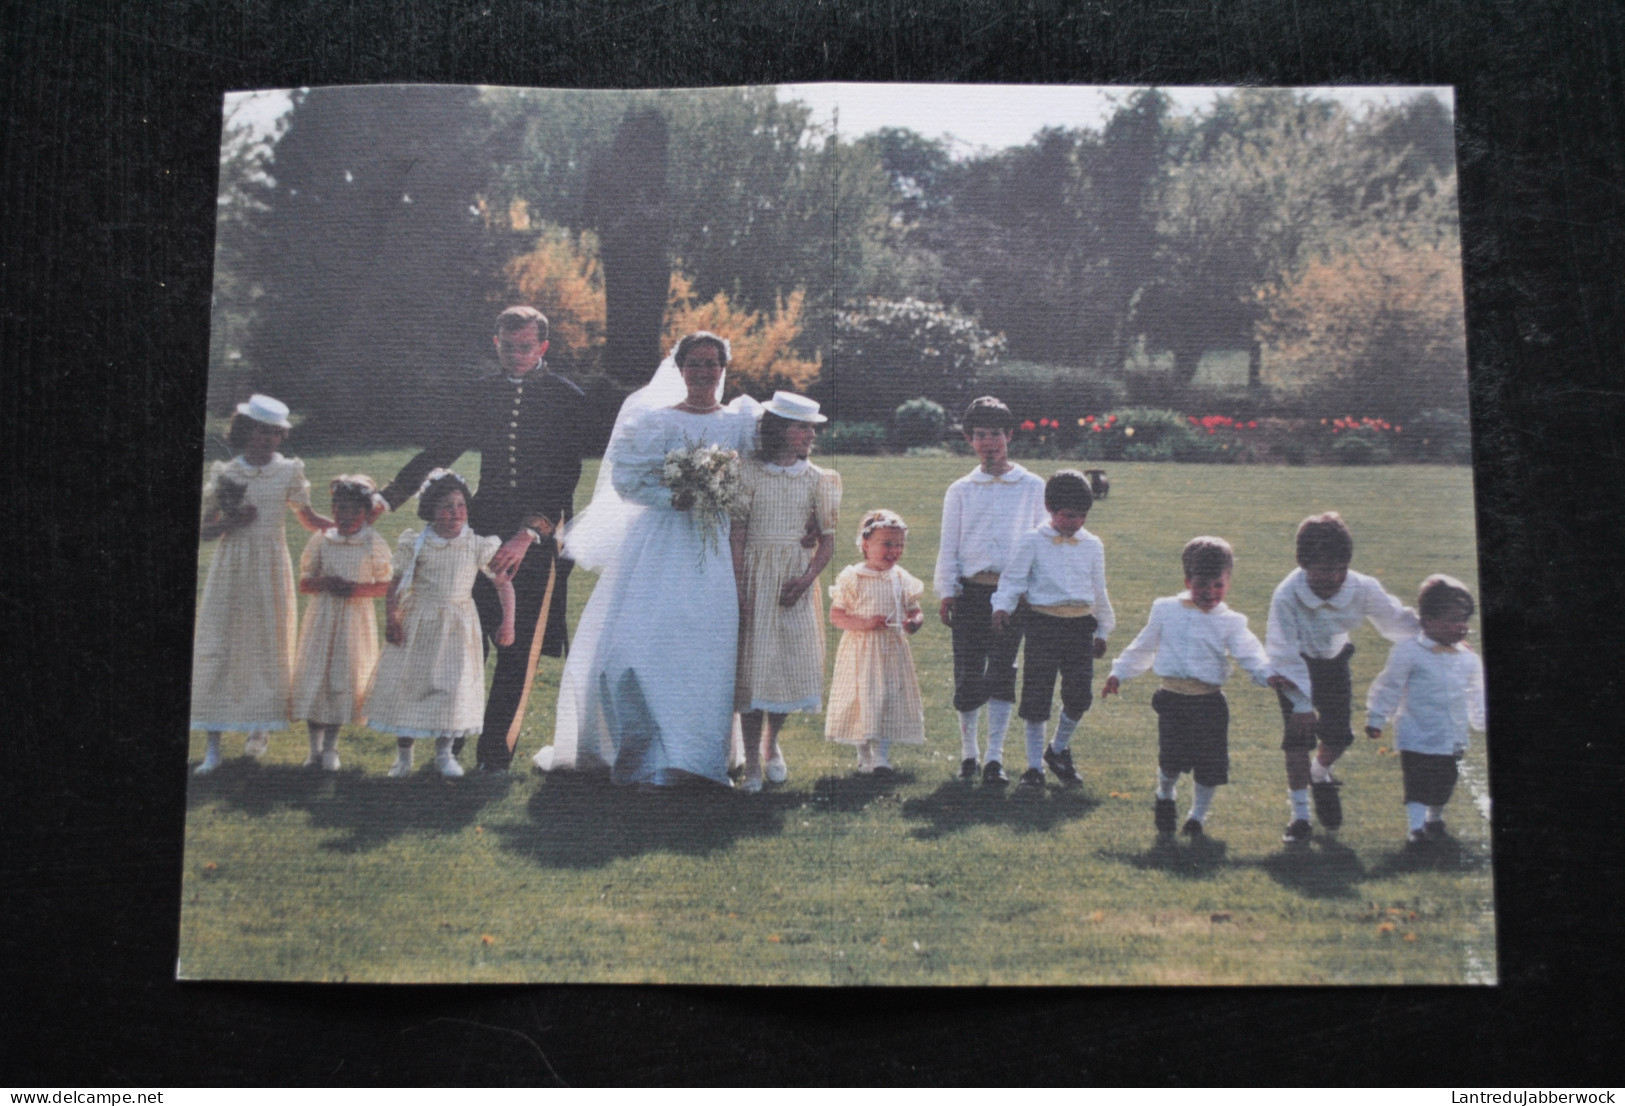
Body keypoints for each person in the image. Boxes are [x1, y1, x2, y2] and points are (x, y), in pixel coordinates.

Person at [535, 331, 759, 787]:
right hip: (660, 540)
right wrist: (673, 495)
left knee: (706, 650)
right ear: (680, 368)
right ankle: (645, 752)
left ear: (723, 368)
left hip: (713, 546)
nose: (704, 371)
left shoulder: (739, 423)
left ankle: (697, 756)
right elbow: (629, 483)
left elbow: (760, 478)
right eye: (694, 362)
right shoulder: (654, 420)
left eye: (712, 362)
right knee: (639, 647)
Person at [379, 306, 586, 773]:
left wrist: (528, 534)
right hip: (484, 528)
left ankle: (495, 757)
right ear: (497, 344)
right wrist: (387, 497)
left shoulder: (567, 397)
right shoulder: (481, 394)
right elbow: (439, 450)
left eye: (526, 347)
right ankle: (446, 744)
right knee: (467, 639)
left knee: (517, 646)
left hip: (538, 533)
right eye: (508, 347)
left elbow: (565, 476)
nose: (516, 356)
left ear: (543, 347)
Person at [1104, 537, 1297, 837]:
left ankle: (1197, 817)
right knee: (1171, 760)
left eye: (1218, 585)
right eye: (1202, 585)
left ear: (1228, 583)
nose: (1210, 593)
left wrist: (1267, 673)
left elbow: (1249, 651)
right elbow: (1143, 646)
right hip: (1172, 698)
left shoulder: (1231, 622)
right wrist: (1119, 673)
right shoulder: (1166, 609)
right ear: (1187, 580)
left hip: (1209, 703)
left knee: (1210, 764)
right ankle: (1165, 795)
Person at [190, 394, 333, 775]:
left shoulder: (288, 472)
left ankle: (259, 728)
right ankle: (213, 747)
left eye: (274, 433)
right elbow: (203, 528)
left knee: (267, 644)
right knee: (221, 643)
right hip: (231, 568)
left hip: (270, 568)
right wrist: (227, 524)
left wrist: (346, 528)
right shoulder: (227, 473)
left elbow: (307, 517)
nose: (267, 440)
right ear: (244, 430)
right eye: (259, 432)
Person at [1266, 512, 1419, 845]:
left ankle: (1320, 774)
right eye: (1324, 569)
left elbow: (1396, 621)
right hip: (1293, 669)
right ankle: (1300, 817)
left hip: (1334, 663)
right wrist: (1302, 704)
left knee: (1338, 737)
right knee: (1297, 741)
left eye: (1341, 568)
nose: (1334, 577)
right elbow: (1282, 654)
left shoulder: (1362, 587)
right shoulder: (1286, 595)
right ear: (1303, 563)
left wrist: (1434, 634)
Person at [367, 471, 515, 779]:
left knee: (453, 688)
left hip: (459, 627)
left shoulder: (475, 544)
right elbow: (396, 584)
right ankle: (404, 756)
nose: (455, 513)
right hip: (419, 622)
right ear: (430, 511)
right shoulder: (418, 543)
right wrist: (392, 618)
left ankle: (444, 753)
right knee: (410, 686)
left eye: (461, 505)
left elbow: (503, 584)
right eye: (446, 507)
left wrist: (508, 623)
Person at [729, 392, 842, 793]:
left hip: (793, 579)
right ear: (779, 429)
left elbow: (827, 541)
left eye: (813, 428)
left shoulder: (819, 479)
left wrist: (808, 576)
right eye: (802, 427)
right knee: (753, 668)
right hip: (756, 577)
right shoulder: (746, 473)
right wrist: (739, 586)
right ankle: (751, 767)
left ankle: (771, 745)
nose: (811, 434)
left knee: (788, 663)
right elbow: (738, 534)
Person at [933, 396, 1047, 786]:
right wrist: (947, 590)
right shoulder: (961, 490)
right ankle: (969, 755)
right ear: (969, 439)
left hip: (1012, 596)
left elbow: (1041, 543)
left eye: (995, 434)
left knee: (1002, 671)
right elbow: (949, 545)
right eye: (980, 435)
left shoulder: (1032, 487)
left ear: (1009, 435)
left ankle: (995, 758)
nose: (989, 443)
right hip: (970, 593)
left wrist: (1031, 591)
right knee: (968, 673)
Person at [990, 470, 1114, 791]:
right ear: (1049, 507)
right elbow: (1013, 579)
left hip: (1080, 627)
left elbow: (1098, 589)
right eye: (1068, 516)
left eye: (1082, 516)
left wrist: (1103, 630)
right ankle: (1034, 768)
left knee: (1079, 695)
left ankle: (1058, 750)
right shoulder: (1033, 540)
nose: (1075, 523)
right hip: (1043, 625)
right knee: (1037, 693)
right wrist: (1002, 606)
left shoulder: (1093, 545)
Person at [1364, 575, 1486, 846]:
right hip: (1416, 732)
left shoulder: (1468, 658)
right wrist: (1376, 717)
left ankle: (1435, 818)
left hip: (1452, 734)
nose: (1461, 627)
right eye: (1453, 620)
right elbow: (1390, 685)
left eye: (1464, 620)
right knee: (1417, 782)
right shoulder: (1409, 652)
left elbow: (1477, 691)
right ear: (1428, 620)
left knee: (1446, 780)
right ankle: (1416, 828)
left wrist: (1482, 719)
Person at [289, 475, 393, 771]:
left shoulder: (373, 542)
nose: (346, 516)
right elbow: (305, 583)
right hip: (322, 617)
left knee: (342, 675)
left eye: (354, 511)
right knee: (316, 674)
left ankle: (332, 748)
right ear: (333, 509)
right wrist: (325, 582)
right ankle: (313, 750)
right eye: (340, 509)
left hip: (353, 619)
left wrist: (357, 589)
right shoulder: (322, 539)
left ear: (366, 512)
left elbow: (386, 584)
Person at [825, 510, 927, 775]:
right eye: (887, 544)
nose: (894, 551)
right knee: (863, 700)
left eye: (899, 545)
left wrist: (914, 621)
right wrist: (865, 623)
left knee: (888, 699)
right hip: (861, 652)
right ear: (865, 544)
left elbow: (914, 609)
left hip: (891, 651)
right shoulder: (854, 577)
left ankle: (881, 756)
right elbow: (836, 616)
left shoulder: (900, 577)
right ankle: (864, 756)